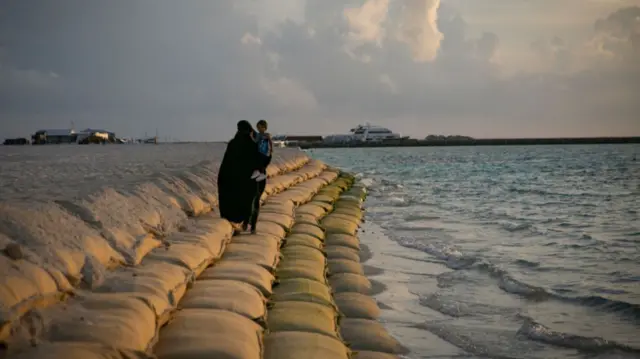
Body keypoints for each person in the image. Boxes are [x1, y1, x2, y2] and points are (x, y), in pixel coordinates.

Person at [217, 120, 261, 230]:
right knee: (248, 200)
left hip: (236, 178)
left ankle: (240, 223)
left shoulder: (235, 143)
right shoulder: (251, 144)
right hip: (244, 179)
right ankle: (245, 223)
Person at [248, 119, 273, 234]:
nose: (259, 129)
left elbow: (269, 151)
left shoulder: (265, 138)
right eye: (257, 127)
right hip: (259, 172)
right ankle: (250, 224)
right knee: (254, 200)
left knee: (255, 199)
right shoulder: (261, 138)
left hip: (259, 173)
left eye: (260, 127)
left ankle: (252, 225)